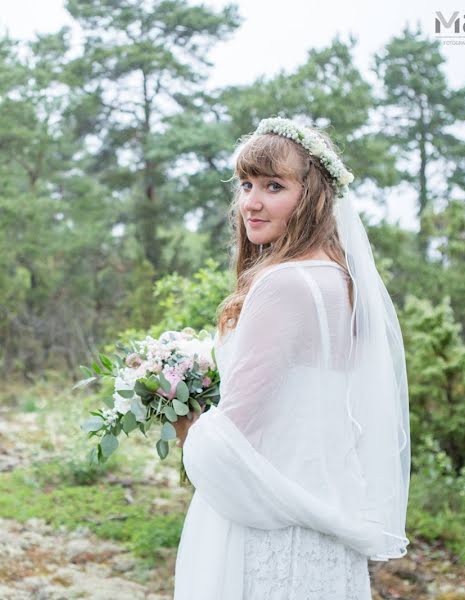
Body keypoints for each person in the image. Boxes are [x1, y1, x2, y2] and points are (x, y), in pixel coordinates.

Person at [172, 117, 410, 599]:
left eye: (273, 186)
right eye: (245, 184)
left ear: (314, 196)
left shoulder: (283, 284)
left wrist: (186, 430)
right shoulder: (341, 281)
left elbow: (234, 437)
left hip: (268, 525)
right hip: (329, 511)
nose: (250, 203)